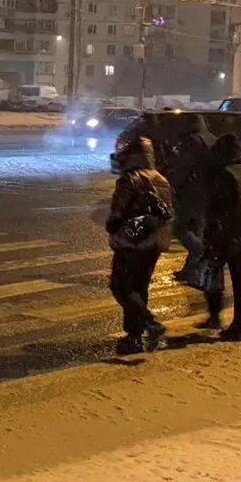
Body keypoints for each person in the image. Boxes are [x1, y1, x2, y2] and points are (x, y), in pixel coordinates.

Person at [105, 136, 174, 354]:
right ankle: (141, 329)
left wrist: (112, 225)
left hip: (131, 241)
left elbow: (118, 213)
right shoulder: (161, 179)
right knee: (140, 286)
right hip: (153, 242)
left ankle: (143, 328)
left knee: (122, 286)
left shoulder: (130, 179)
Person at [201, 134, 241, 341]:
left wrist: (211, 239)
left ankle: (222, 320)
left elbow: (220, 211)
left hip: (229, 237)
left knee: (214, 278)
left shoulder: (226, 175)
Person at [163, 115, 216, 284]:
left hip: (190, 192)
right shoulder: (211, 139)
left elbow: (184, 167)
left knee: (180, 228)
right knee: (196, 228)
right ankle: (192, 269)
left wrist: (173, 184)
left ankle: (198, 255)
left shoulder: (193, 141)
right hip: (206, 192)